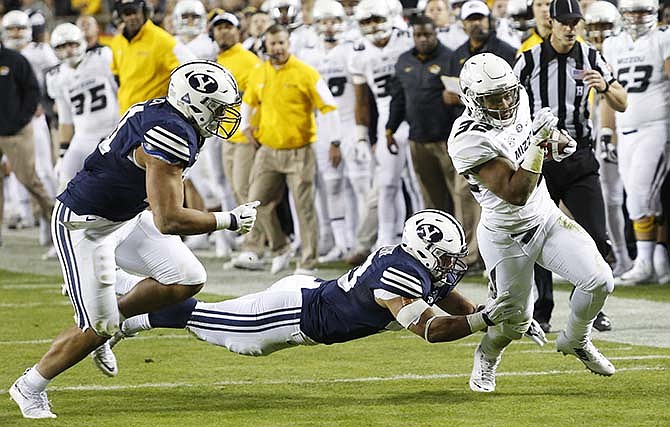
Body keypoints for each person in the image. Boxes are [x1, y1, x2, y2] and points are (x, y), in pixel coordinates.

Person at [9, 60, 260, 420]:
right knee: (96, 327)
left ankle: (120, 314)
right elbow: (170, 219)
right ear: (194, 104)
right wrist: (228, 219)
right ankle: (29, 386)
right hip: (84, 225)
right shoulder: (169, 133)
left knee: (187, 277)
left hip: (125, 216)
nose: (225, 116)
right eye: (217, 109)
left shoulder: (167, 113)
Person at [108, 210, 545, 363]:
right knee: (209, 322)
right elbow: (431, 329)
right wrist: (488, 317)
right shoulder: (399, 275)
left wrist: (496, 320)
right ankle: (118, 297)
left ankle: (125, 317)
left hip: (311, 295)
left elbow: (446, 296)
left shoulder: (414, 261)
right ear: (426, 249)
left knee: (210, 321)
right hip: (292, 314)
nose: (453, 264)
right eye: (447, 257)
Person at [448, 53, 616, 393]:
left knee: (600, 280)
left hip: (546, 218)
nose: (505, 102)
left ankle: (576, 339)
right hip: (505, 234)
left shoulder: (519, 99)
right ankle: (486, 356)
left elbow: (534, 143)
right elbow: (515, 192)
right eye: (493, 99)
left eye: (508, 93)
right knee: (514, 321)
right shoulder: (467, 139)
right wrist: (540, 144)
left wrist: (558, 141)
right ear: (471, 99)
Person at [514, 0, 627, 333]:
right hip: (540, 159)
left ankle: (592, 309)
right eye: (563, 21)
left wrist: (605, 87)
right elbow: (504, 100)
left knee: (595, 236)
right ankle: (543, 310)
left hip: (579, 159)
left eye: (574, 21)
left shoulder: (591, 57)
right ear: (551, 22)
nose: (569, 27)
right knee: (538, 237)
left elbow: (622, 102)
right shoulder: (529, 59)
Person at [235, 24, 340, 274]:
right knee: (254, 203)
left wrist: (334, 141)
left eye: (282, 42)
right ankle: (281, 247)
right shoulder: (260, 72)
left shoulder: (306, 73)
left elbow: (329, 105)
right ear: (266, 45)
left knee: (303, 207)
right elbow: (248, 103)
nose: (278, 48)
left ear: (289, 43)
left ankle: (308, 262)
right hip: (268, 149)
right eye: (273, 43)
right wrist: (246, 127)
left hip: (299, 150)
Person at [387, 15, 482, 271]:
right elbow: (399, 98)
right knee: (432, 201)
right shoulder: (404, 61)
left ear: (435, 33)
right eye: (418, 35)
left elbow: (466, 98)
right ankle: (439, 255)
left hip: (448, 140)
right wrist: (390, 128)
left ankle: (470, 255)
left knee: (462, 197)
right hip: (418, 139)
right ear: (412, 34)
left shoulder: (450, 57)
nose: (423, 39)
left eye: (427, 34)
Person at [602, 0, 670, 285]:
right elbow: (609, 90)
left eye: (643, 11)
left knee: (641, 194)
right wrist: (608, 131)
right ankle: (656, 259)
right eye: (632, 11)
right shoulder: (612, 44)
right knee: (638, 196)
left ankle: (645, 261)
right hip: (626, 127)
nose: (637, 16)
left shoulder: (663, 38)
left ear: (653, 12)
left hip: (656, 126)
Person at [299, 0, 373, 263]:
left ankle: (364, 242)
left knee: (361, 185)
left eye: (334, 21)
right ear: (317, 24)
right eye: (324, 21)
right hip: (323, 126)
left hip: (350, 124)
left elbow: (364, 94)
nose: (329, 27)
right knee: (331, 186)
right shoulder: (308, 54)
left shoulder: (353, 49)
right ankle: (342, 244)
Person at [583, 1, 634, 279]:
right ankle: (622, 258)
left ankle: (632, 257)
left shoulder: (621, 50)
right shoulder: (585, 53)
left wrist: (607, 132)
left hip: (625, 127)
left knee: (631, 198)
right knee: (610, 199)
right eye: (593, 27)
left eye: (604, 26)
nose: (599, 33)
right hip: (598, 129)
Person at [46, 23, 119, 191]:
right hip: (83, 137)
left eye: (72, 44)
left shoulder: (102, 57)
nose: (69, 50)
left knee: (117, 185)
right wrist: (62, 154)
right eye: (62, 46)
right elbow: (65, 120)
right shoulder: (56, 76)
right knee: (64, 183)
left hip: (113, 132)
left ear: (82, 42)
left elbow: (121, 93)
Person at [0, 21, 52, 248]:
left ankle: (54, 223)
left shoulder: (14, 60)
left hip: (16, 133)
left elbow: (33, 91)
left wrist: (20, 120)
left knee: (31, 181)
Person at [109, 0, 194, 114]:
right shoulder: (117, 42)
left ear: (144, 12)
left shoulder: (162, 39)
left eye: (135, 12)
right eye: (127, 13)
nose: (132, 17)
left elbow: (189, 66)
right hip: (127, 115)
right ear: (120, 16)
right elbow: (117, 77)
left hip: (154, 115)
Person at [451, 0, 517, 70]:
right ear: (463, 24)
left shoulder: (507, 52)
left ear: (490, 20)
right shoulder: (458, 55)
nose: (476, 23)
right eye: (471, 19)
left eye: (480, 18)